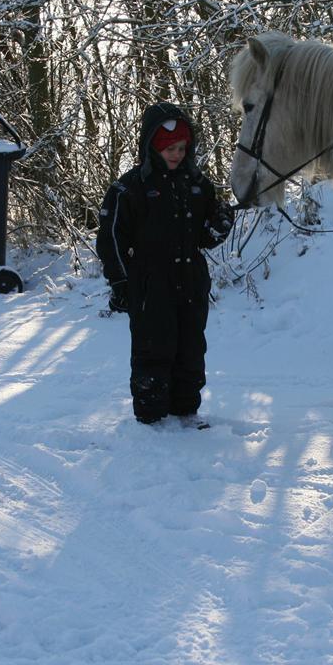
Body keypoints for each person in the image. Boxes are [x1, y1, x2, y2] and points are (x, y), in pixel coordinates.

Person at [95, 101, 235, 424]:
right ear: (152, 146)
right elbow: (111, 239)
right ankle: (152, 421)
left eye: (182, 148)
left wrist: (219, 225)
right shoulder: (130, 188)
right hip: (150, 287)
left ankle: (185, 414)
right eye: (169, 148)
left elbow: (204, 236)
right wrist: (121, 282)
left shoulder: (198, 185)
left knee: (191, 350)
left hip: (191, 283)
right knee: (154, 350)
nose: (176, 154)